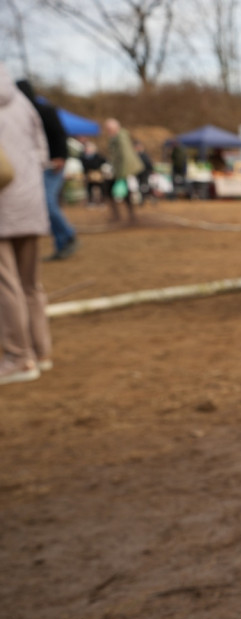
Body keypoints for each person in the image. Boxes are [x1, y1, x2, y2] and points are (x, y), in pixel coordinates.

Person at [0, 64, 53, 385]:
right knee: (31, 284)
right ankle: (41, 351)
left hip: (3, 206)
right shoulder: (23, 101)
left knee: (7, 286)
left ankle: (19, 357)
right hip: (31, 202)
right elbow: (42, 152)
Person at [15, 78, 78, 261]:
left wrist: (61, 157)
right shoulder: (20, 115)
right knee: (42, 205)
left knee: (47, 203)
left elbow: (60, 134)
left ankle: (68, 235)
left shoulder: (45, 111)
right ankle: (62, 244)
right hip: (35, 166)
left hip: (53, 165)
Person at [104, 118, 144, 224]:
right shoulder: (116, 137)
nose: (107, 130)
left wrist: (122, 173)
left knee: (120, 192)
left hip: (125, 170)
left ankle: (128, 216)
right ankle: (126, 216)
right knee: (123, 193)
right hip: (120, 169)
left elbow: (124, 155)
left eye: (109, 128)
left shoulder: (120, 137)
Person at [80, 140, 107, 207]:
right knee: (89, 188)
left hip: (98, 175)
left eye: (89, 148)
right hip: (89, 175)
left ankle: (101, 201)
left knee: (101, 188)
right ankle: (91, 201)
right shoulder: (83, 157)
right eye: (86, 148)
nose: (87, 150)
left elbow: (103, 162)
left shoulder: (98, 156)